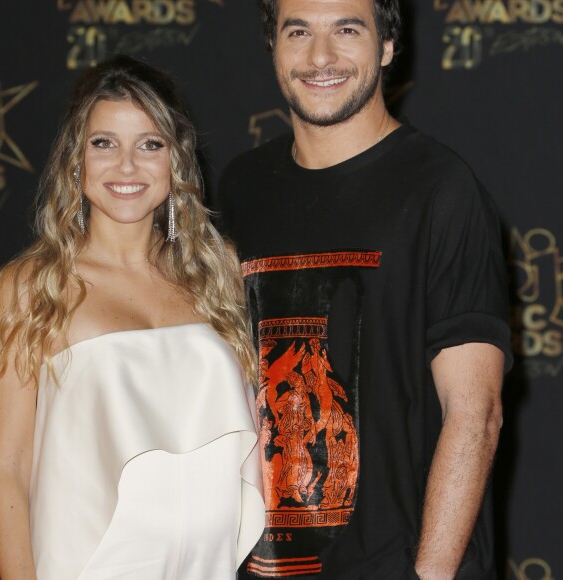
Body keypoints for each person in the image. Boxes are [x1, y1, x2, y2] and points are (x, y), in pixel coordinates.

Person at [216, 0, 513, 578]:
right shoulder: (239, 189)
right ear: (274, 48)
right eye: (297, 31)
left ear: (386, 47)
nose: (320, 56)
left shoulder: (440, 190)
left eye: (347, 30)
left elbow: (475, 414)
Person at [0, 55, 264, 580]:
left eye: (150, 144)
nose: (127, 167)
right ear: (75, 157)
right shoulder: (31, 287)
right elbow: (6, 470)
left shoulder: (218, 271)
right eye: (104, 143)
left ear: (176, 159)